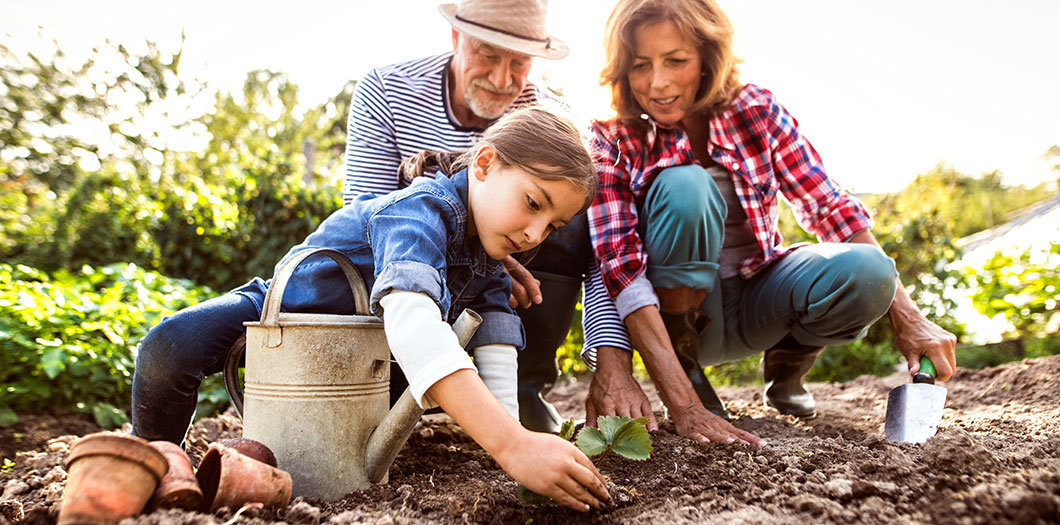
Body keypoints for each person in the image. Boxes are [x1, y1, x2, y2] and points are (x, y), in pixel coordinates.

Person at [131, 107, 609, 511]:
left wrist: (512, 437)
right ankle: (156, 462)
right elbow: (413, 319)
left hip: (359, 364)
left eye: (552, 226)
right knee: (170, 345)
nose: (533, 234)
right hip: (282, 315)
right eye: (532, 203)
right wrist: (512, 446)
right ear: (484, 163)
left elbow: (496, 343)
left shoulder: (489, 252)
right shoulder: (420, 212)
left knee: (409, 387)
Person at [582, 0, 958, 446]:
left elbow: (829, 207)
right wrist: (683, 405)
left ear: (707, 58)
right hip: (684, 320)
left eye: (676, 60)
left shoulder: (755, 108)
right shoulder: (612, 137)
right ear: (622, 71)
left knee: (873, 271)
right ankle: (688, 375)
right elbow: (619, 269)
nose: (658, 82)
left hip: (761, 295)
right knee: (687, 187)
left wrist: (909, 317)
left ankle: (787, 362)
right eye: (641, 66)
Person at [342, 0, 613, 433]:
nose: (503, 79)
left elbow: (602, 251)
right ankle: (395, 379)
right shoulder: (388, 89)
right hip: (408, 267)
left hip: (490, 265)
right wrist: (484, 256)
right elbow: (371, 212)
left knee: (565, 203)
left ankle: (523, 385)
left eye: (519, 62)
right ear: (456, 38)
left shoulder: (548, 119)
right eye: (487, 53)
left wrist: (607, 359)